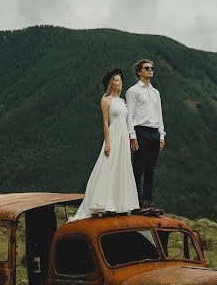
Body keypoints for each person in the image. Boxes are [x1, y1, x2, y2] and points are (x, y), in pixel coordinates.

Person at [69, 69, 140, 221]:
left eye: (120, 80)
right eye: (116, 80)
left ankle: (119, 204)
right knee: (108, 164)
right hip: (114, 134)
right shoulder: (106, 100)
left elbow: (128, 120)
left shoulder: (122, 101)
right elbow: (105, 123)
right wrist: (107, 143)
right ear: (110, 84)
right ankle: (101, 202)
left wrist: (130, 137)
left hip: (123, 135)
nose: (119, 82)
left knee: (122, 166)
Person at [126, 58, 165, 213]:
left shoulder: (156, 92)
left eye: (152, 68)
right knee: (138, 169)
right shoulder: (133, 91)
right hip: (140, 131)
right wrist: (132, 136)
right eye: (147, 68)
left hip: (154, 132)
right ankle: (137, 204)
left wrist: (161, 135)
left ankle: (148, 204)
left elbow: (159, 115)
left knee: (151, 170)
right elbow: (130, 116)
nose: (150, 70)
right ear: (139, 71)